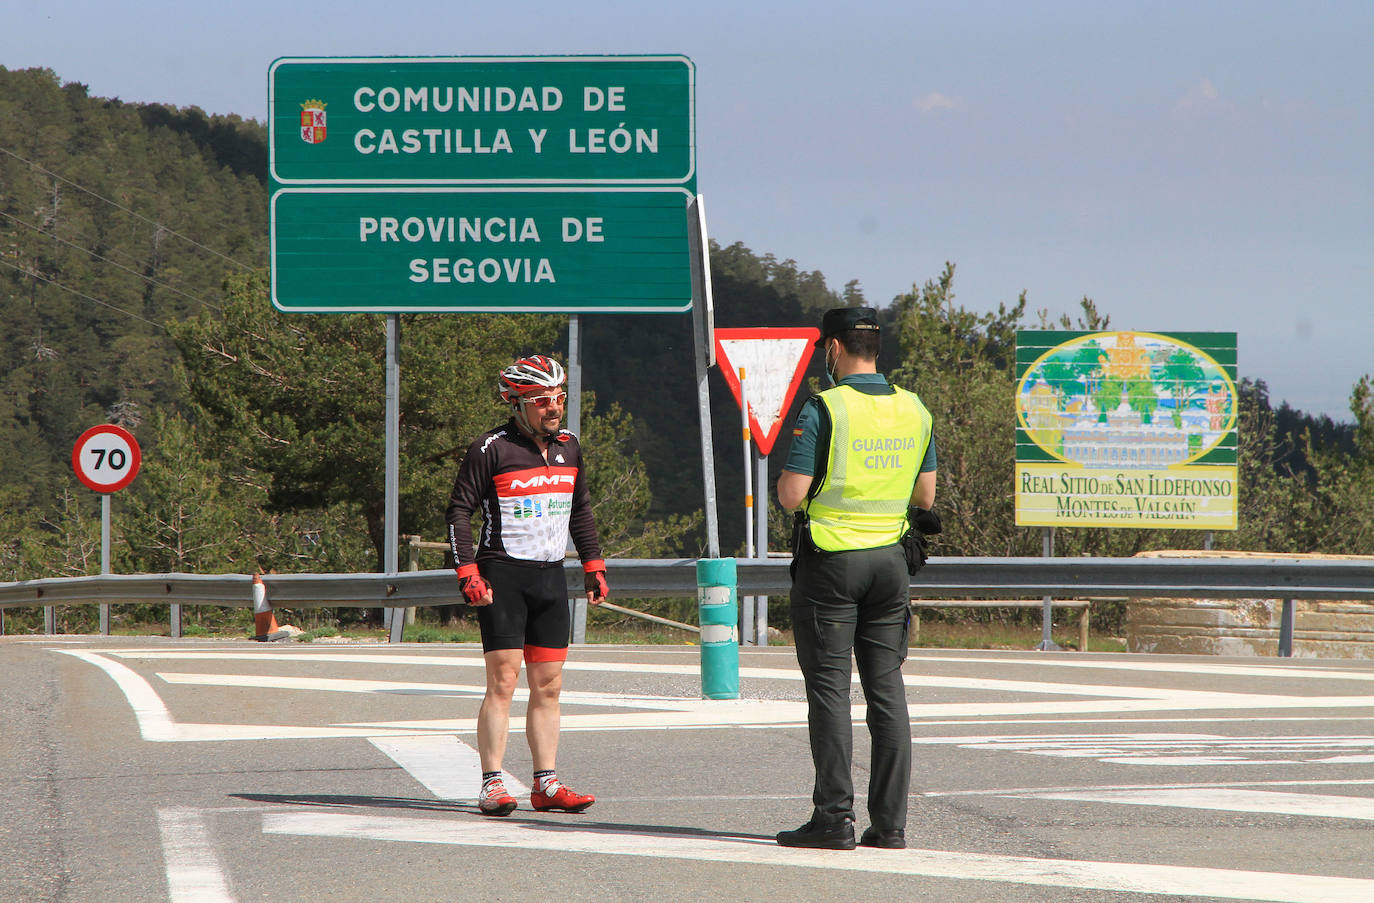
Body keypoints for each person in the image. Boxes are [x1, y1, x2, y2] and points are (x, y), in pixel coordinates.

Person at [774, 307, 937, 851]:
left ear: (834, 349)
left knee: (830, 695)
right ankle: (890, 825)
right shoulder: (915, 409)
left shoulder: (825, 407)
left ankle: (832, 820)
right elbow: (925, 498)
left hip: (832, 563)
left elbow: (792, 495)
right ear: (877, 349)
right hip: (890, 563)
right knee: (887, 693)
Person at [445, 354, 610, 817]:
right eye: (540, 400)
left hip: (551, 575)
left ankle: (546, 784)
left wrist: (593, 563)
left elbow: (580, 509)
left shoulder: (570, 445)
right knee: (503, 681)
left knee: (550, 685)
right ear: (515, 403)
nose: (552, 408)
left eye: (557, 398)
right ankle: (492, 784)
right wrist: (468, 572)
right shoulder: (489, 448)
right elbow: (459, 512)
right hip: (503, 573)